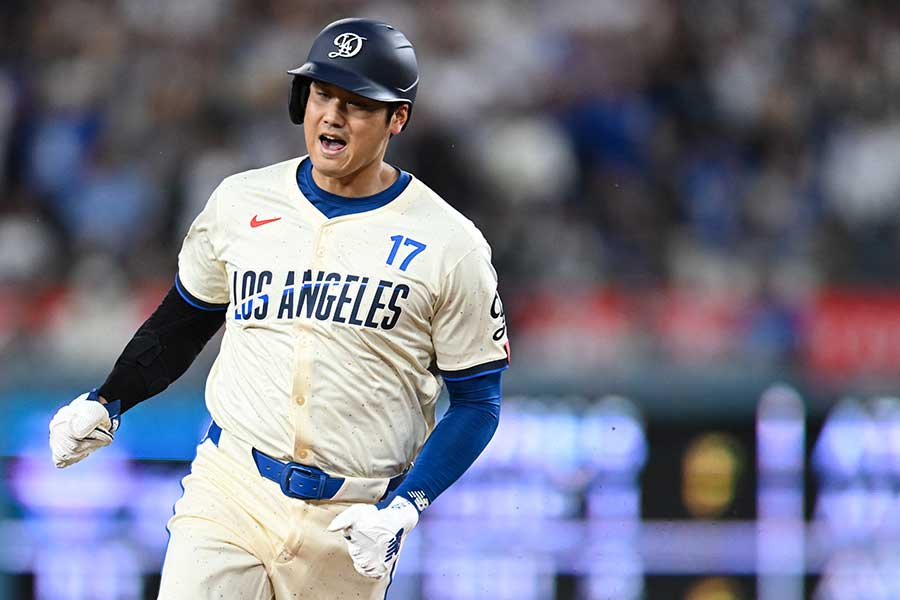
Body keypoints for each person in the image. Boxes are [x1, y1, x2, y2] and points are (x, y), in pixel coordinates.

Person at [47, 16, 509, 599]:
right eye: (322, 93)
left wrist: (403, 510)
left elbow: (477, 402)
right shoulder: (241, 200)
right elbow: (187, 319)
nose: (332, 116)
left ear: (398, 118)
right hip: (233, 487)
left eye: (358, 103)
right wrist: (109, 398)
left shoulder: (451, 243)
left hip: (353, 519)